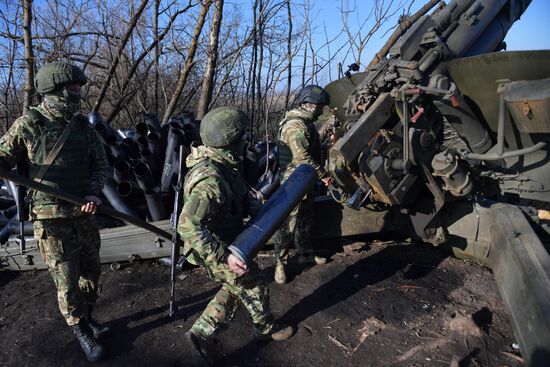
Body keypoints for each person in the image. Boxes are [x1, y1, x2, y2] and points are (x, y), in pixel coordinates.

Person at [0, 62, 109, 362]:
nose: (77, 95)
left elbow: (101, 165)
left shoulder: (83, 127)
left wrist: (93, 191)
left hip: (84, 213)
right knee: (66, 278)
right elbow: (2, 158)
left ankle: (86, 315)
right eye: (73, 90)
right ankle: (79, 329)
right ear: (56, 91)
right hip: (51, 218)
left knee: (91, 271)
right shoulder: (28, 124)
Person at [178, 107, 294, 363]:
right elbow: (187, 226)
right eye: (241, 137)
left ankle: (199, 333)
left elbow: (237, 194)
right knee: (253, 282)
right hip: (212, 248)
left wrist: (259, 206)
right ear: (230, 141)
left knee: (235, 285)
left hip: (223, 239)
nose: (245, 142)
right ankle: (265, 330)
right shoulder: (211, 180)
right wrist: (224, 258)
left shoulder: (221, 164)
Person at [274, 85, 333, 284]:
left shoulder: (306, 123)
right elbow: (302, 157)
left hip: (304, 179)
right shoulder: (295, 125)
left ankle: (305, 253)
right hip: (293, 181)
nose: (322, 109)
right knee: (288, 223)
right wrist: (323, 175)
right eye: (320, 106)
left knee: (307, 217)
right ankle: (280, 263)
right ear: (311, 105)